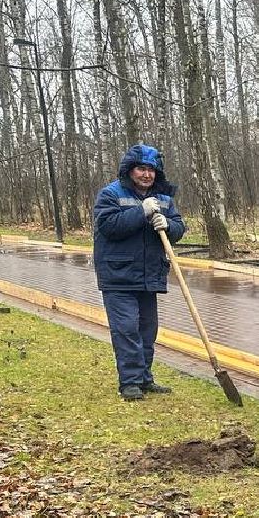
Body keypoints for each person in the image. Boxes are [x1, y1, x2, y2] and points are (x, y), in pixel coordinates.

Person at [93, 144, 186, 401]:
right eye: (141, 169)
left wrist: (168, 224)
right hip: (118, 274)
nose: (147, 175)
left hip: (149, 275)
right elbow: (109, 226)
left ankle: (144, 378)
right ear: (130, 170)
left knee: (147, 329)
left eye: (151, 170)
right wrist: (141, 212)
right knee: (126, 328)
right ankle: (130, 382)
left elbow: (179, 227)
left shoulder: (164, 198)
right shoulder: (111, 194)